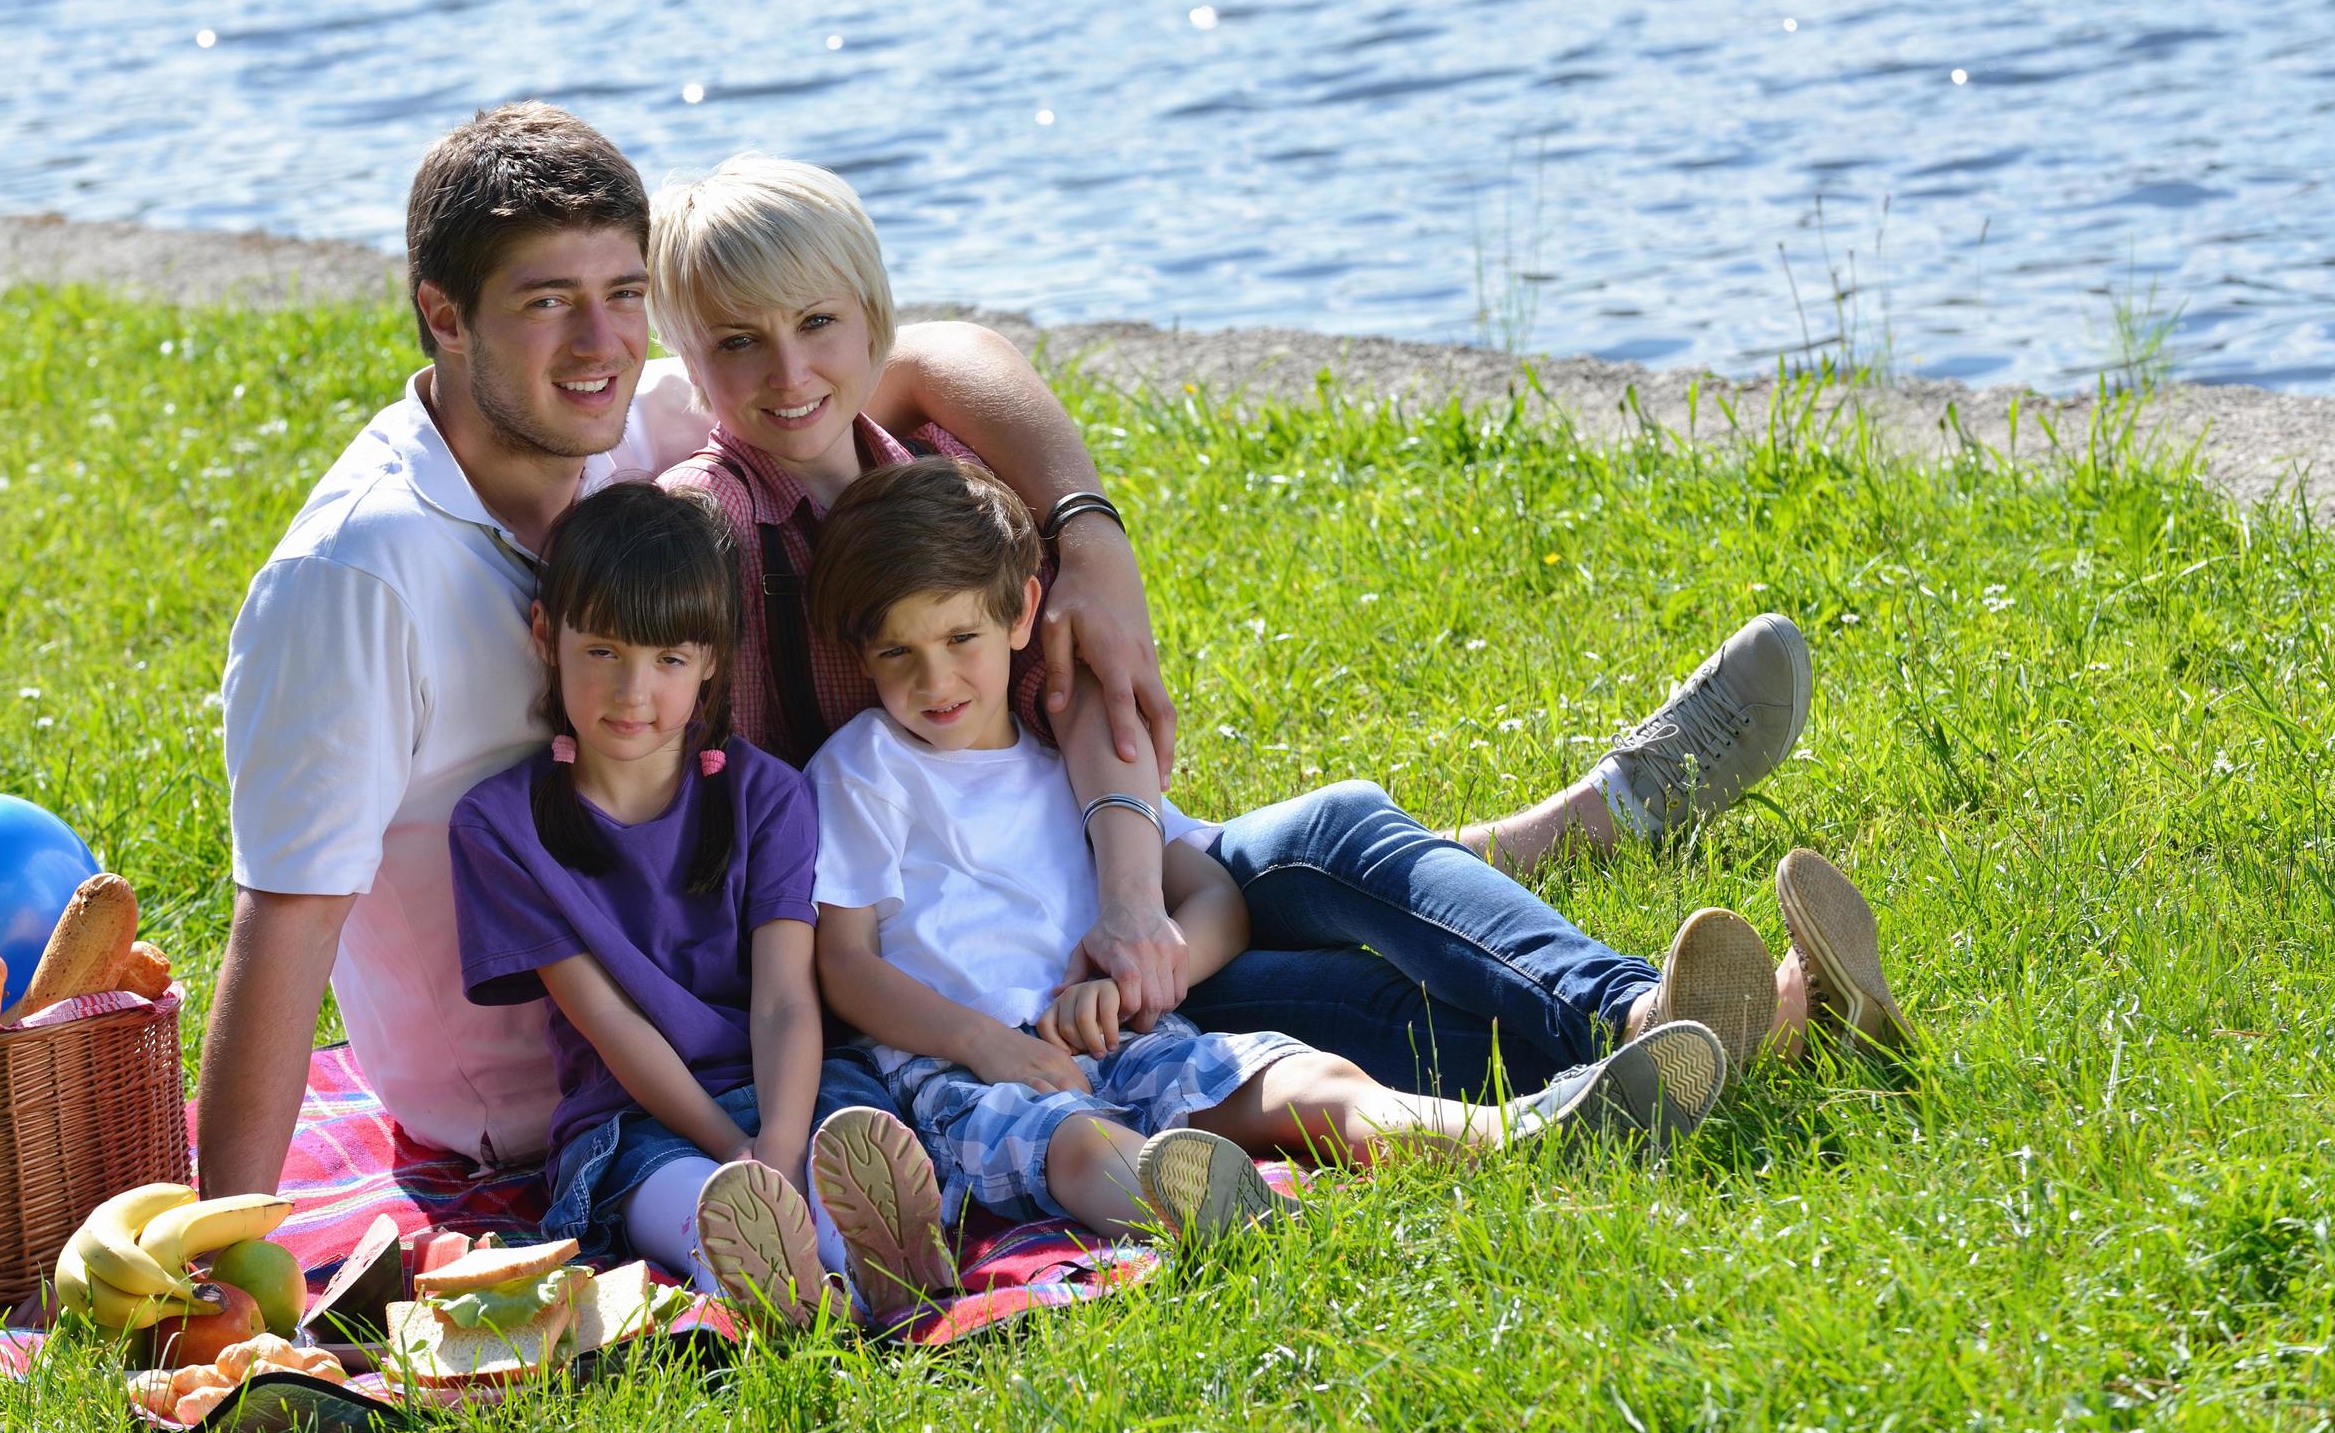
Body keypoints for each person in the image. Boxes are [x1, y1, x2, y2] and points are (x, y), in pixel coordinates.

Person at [647, 154, 1906, 1103]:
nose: (787, 370)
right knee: (1347, 987)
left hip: (1098, 886)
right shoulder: (706, 532)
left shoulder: (923, 462)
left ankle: (1658, 1014)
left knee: (1338, 831)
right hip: (998, 968)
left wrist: (1137, 898)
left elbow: (1078, 681)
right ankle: (1690, 1026)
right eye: (739, 344)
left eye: (818, 326)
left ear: (870, 323)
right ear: (688, 366)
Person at [199, 104, 1180, 1193]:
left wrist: (1088, 530)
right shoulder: (353, 579)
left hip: (774, 1008)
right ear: (445, 316)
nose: (599, 341)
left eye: (623, 295)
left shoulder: (604, 414)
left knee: (1294, 867)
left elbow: (938, 351)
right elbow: (281, 918)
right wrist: (225, 1257)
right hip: (559, 1098)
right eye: (546, 302)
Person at [802, 457, 1740, 1236]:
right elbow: (842, 966)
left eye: (960, 637)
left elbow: (1213, 898)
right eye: (896, 654)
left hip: (1127, 1033)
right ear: (861, 655)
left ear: (1020, 614)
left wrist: (1150, 974)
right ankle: (1226, 1216)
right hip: (958, 1068)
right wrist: (979, 1041)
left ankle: (1510, 1132)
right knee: (1081, 1147)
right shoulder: (863, 770)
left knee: (1312, 1079)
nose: (935, 680)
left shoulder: (1063, 768)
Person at [444, 483, 956, 1326]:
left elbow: (787, 999)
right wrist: (738, 1158)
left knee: (841, 1150)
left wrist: (780, 1145)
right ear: (547, 636)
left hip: (796, 1087)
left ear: (713, 661)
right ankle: (754, 1263)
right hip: (631, 1110)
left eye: (669, 660)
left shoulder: (768, 796)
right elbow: (614, 1028)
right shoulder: (499, 827)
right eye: (602, 651)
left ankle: (873, 1267)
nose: (632, 692)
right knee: (677, 1190)